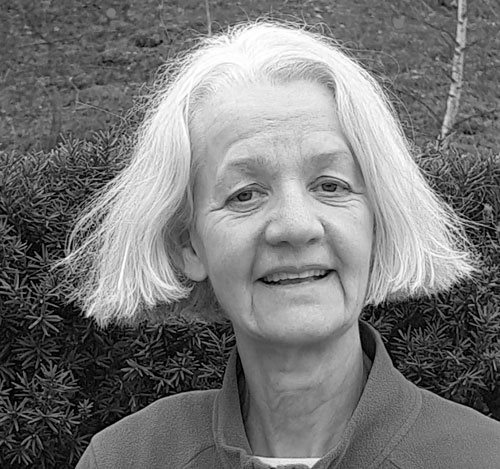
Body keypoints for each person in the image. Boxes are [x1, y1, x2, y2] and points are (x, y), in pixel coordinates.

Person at [66, 21, 500, 469]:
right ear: (188, 245)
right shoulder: (124, 458)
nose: (296, 226)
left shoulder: (484, 456)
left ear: (378, 219)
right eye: (245, 195)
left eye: (330, 185)